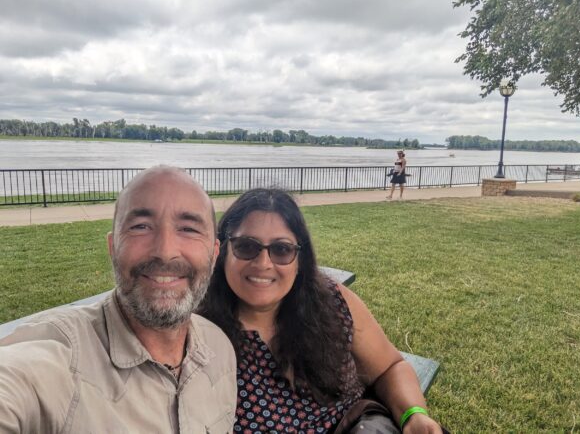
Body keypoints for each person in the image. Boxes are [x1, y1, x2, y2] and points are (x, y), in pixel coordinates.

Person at [0, 165, 237, 433]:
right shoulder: (59, 357)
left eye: (188, 228)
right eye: (141, 226)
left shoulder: (220, 350)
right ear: (113, 248)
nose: (165, 251)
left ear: (214, 253)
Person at [199, 188, 442, 433]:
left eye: (282, 249)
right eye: (246, 246)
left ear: (300, 259)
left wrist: (414, 415)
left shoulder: (332, 300)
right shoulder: (196, 330)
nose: (263, 264)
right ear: (222, 252)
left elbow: (389, 367)